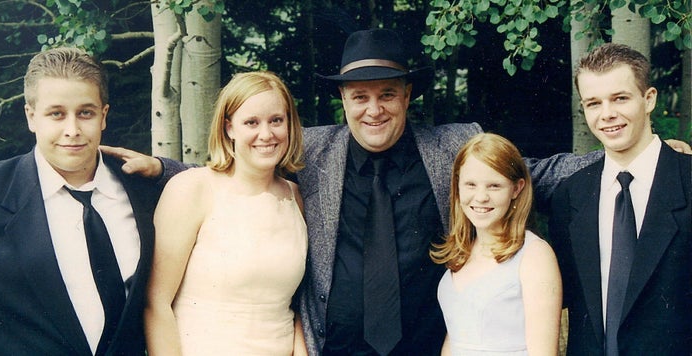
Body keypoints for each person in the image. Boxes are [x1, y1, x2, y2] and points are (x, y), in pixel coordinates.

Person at [100, 29, 691, 356]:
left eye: (387, 93)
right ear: (343, 103)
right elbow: (246, 166)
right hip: (336, 352)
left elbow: (534, 169)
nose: (373, 108)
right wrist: (166, 165)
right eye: (360, 96)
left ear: (408, 96)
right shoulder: (314, 157)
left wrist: (648, 158)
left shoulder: (454, 147)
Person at [0, 47, 162, 355]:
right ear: (31, 117)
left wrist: (163, 167)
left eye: (85, 113)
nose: (72, 130)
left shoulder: (145, 191)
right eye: (56, 114)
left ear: (104, 116)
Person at [143, 71, 308, 355]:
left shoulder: (295, 197)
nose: (266, 134)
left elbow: (292, 306)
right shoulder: (191, 189)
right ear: (229, 127)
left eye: (276, 120)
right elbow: (156, 303)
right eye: (251, 122)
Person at [548, 43, 692, 355]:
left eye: (620, 98)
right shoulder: (571, 195)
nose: (607, 114)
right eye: (593, 103)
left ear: (649, 98)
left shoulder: (687, 181)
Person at [431, 133, 562, 355]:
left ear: (517, 188)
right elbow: (454, 339)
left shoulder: (534, 255)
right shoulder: (462, 251)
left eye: (494, 185)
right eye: (471, 184)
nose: (480, 197)